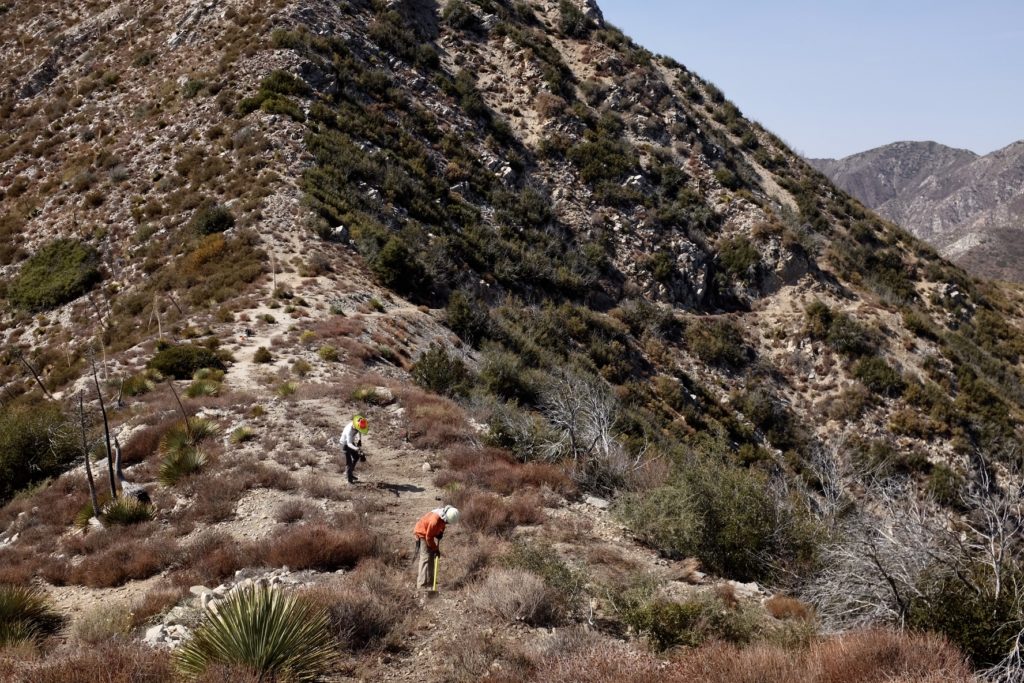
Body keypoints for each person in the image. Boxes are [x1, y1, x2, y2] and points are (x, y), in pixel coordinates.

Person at [413, 505, 460, 591]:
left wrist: (440, 532)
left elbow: (442, 524)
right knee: (425, 558)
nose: (447, 524)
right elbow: (428, 538)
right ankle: (421, 585)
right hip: (422, 533)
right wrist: (435, 549)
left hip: (428, 533)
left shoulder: (446, 514)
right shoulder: (434, 520)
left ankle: (430, 581)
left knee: (431, 557)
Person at [340, 415, 368, 484]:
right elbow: (349, 444)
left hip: (351, 443)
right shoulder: (349, 430)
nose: (357, 430)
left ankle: (349, 473)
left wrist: (359, 439)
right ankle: (349, 481)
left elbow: (359, 431)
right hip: (345, 444)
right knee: (349, 463)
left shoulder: (357, 426)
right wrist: (357, 449)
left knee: (356, 457)